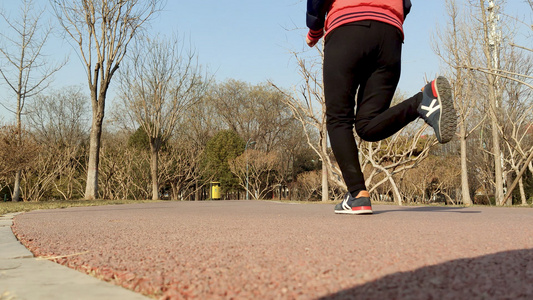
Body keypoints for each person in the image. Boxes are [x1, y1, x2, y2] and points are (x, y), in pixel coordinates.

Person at [305, 0, 457, 214]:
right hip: (390, 36)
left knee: (339, 119)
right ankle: (420, 102)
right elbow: (406, 4)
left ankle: (357, 195)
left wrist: (314, 28)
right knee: (367, 125)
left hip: (348, 30)